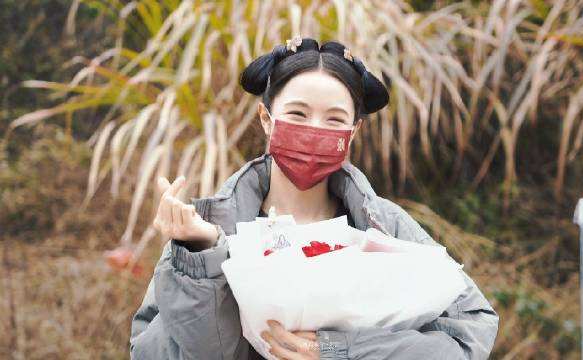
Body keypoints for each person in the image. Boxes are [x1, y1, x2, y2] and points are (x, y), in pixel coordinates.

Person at [129, 36, 499, 360]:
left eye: (334, 120)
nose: (313, 131)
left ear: (353, 132)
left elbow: (471, 333)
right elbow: (153, 349)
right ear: (266, 118)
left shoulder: (386, 226)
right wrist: (202, 255)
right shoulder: (207, 230)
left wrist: (341, 352)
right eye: (297, 114)